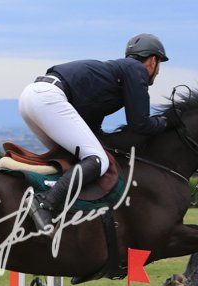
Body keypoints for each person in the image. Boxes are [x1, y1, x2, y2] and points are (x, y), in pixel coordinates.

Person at [20, 33, 170, 233]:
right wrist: (166, 122)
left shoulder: (115, 75)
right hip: (48, 99)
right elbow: (140, 124)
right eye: (159, 65)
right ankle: (44, 203)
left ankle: (61, 205)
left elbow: (91, 126)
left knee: (75, 158)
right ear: (152, 60)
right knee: (98, 160)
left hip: (32, 97)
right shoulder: (136, 69)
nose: (158, 72)